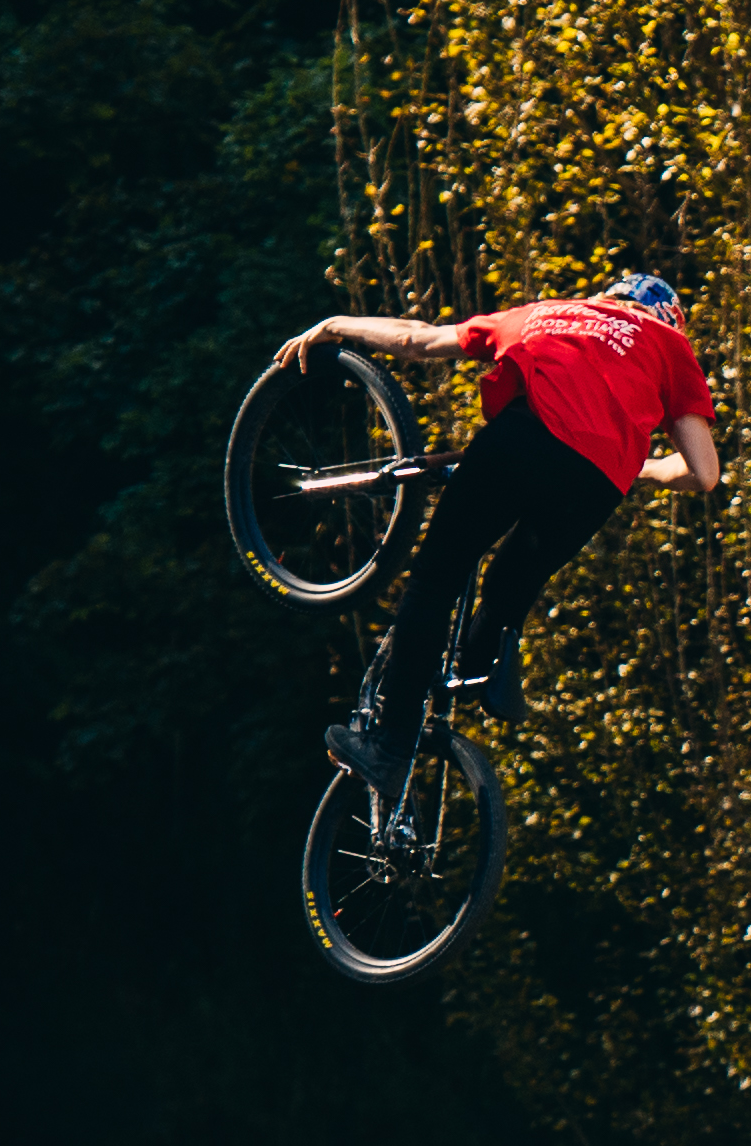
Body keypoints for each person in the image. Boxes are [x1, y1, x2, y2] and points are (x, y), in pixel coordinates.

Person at [274, 274, 722, 784]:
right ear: (667, 320)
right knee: (513, 579)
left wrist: (336, 325)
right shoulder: (669, 345)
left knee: (435, 581)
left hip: (523, 440)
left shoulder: (546, 313)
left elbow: (415, 340)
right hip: (598, 481)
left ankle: (391, 746)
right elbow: (704, 474)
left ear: (607, 299)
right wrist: (640, 467)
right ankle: (481, 663)